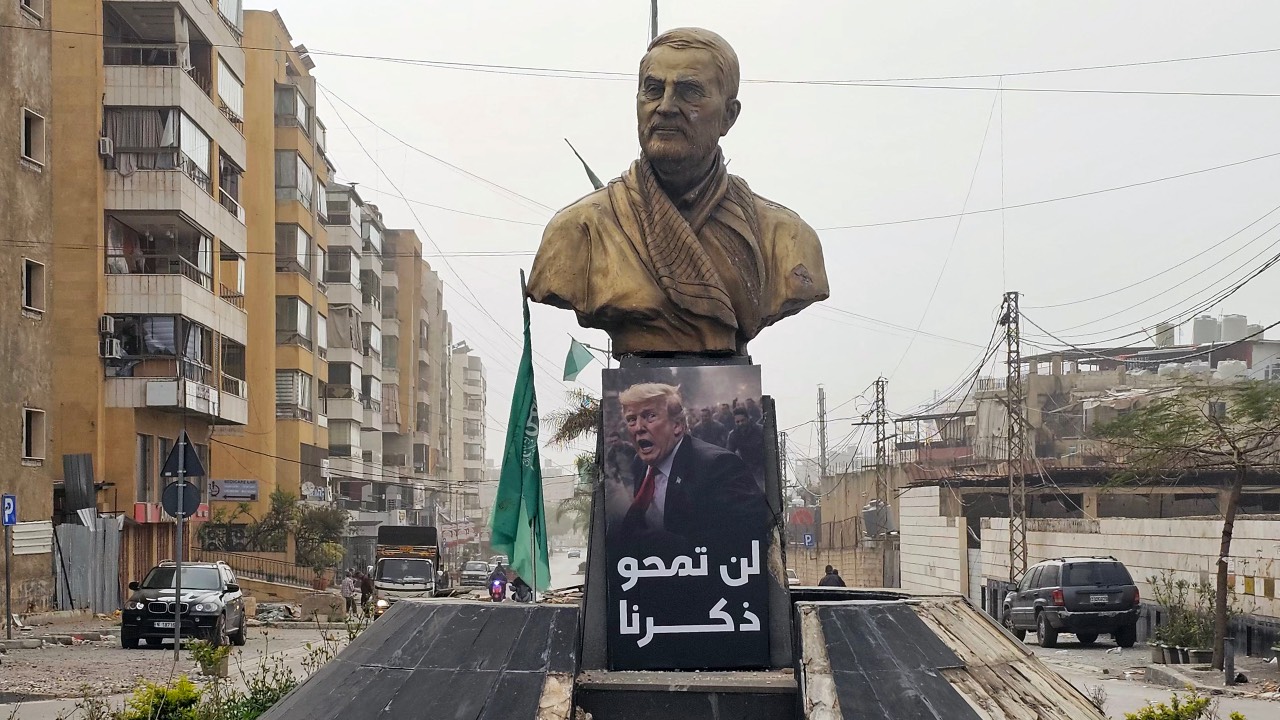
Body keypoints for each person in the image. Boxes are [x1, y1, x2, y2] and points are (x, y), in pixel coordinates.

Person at [527, 27, 828, 356]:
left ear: (729, 115)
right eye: (653, 90)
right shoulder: (578, 231)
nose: (666, 106)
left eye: (689, 92)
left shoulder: (785, 238)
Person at [613, 383, 766, 548]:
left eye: (650, 416)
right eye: (631, 420)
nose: (638, 428)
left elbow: (748, 542)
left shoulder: (720, 467)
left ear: (677, 425)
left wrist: (667, 545)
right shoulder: (640, 464)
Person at [726, 406, 766, 487]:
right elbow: (729, 454)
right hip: (747, 469)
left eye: (743, 420)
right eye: (737, 422)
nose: (740, 423)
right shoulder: (733, 435)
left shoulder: (760, 430)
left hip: (763, 468)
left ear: (748, 419)